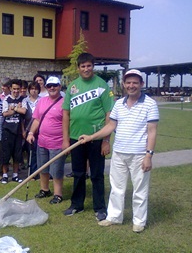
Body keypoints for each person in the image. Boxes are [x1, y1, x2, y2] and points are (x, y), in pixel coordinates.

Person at [79, 69, 159, 233]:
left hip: (139, 155)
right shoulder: (119, 104)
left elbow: (152, 131)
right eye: (128, 82)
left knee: (139, 190)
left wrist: (148, 155)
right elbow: (110, 126)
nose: (131, 86)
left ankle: (139, 221)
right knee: (117, 188)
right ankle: (114, 217)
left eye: (135, 83)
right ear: (123, 84)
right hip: (119, 153)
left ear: (141, 84)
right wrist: (91, 137)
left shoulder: (150, 104)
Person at [62, 52, 114, 221]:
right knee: (77, 173)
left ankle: (100, 207)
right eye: (83, 66)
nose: (86, 69)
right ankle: (77, 204)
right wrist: (65, 139)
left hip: (96, 138)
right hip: (76, 138)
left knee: (97, 174)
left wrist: (106, 140)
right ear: (78, 68)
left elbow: (109, 114)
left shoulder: (102, 86)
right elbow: (66, 114)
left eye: (89, 66)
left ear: (93, 66)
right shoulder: (72, 87)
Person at [27, 76, 66, 204]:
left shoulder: (65, 102)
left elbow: (68, 123)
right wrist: (31, 133)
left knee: (56, 170)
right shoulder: (42, 101)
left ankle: (58, 194)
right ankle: (45, 189)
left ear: (59, 86)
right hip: (42, 141)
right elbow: (37, 119)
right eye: (49, 86)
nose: (52, 88)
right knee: (42, 167)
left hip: (58, 142)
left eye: (55, 85)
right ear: (46, 87)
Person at [1, 79, 26, 184]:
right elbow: (5, 114)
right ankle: (5, 175)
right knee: (6, 154)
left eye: (18, 89)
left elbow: (24, 111)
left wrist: (14, 108)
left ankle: (15, 175)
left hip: (18, 130)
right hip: (7, 129)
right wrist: (16, 109)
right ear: (10, 89)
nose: (16, 91)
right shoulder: (6, 99)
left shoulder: (23, 99)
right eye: (14, 89)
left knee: (17, 154)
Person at [22, 81, 41, 176]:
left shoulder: (42, 100)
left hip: (40, 129)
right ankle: (33, 173)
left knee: (40, 151)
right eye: (32, 89)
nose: (34, 91)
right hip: (29, 128)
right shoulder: (25, 101)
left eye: (36, 89)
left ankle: (41, 171)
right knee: (31, 151)